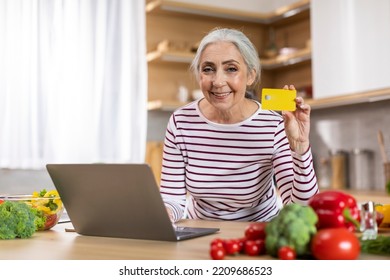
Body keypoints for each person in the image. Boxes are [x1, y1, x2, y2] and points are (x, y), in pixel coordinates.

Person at [160, 27, 319, 223]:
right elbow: (172, 199)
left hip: (258, 234)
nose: (218, 81)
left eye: (231, 69)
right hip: (200, 233)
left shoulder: (273, 126)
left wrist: (301, 148)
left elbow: (301, 210)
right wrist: (162, 215)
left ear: (250, 75)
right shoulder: (181, 122)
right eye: (208, 69)